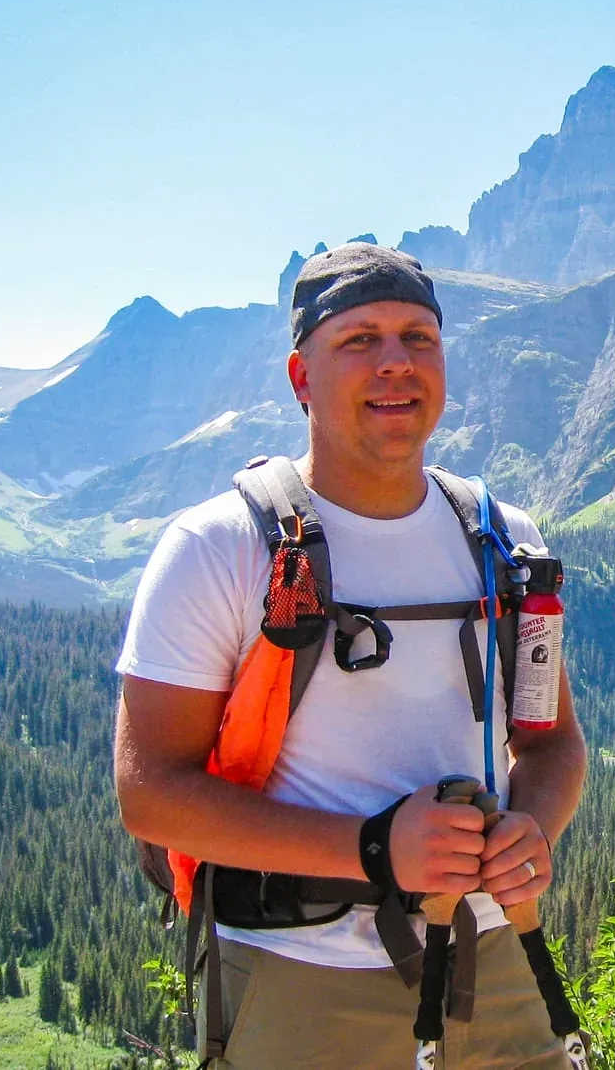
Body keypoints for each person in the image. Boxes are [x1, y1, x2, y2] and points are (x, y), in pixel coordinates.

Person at [113, 243, 588, 1069]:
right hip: (302, 980)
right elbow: (151, 793)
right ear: (302, 377)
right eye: (360, 340)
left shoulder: (505, 541)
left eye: (418, 337)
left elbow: (552, 742)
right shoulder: (216, 549)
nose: (396, 363)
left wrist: (533, 832)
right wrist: (374, 848)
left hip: (494, 956)